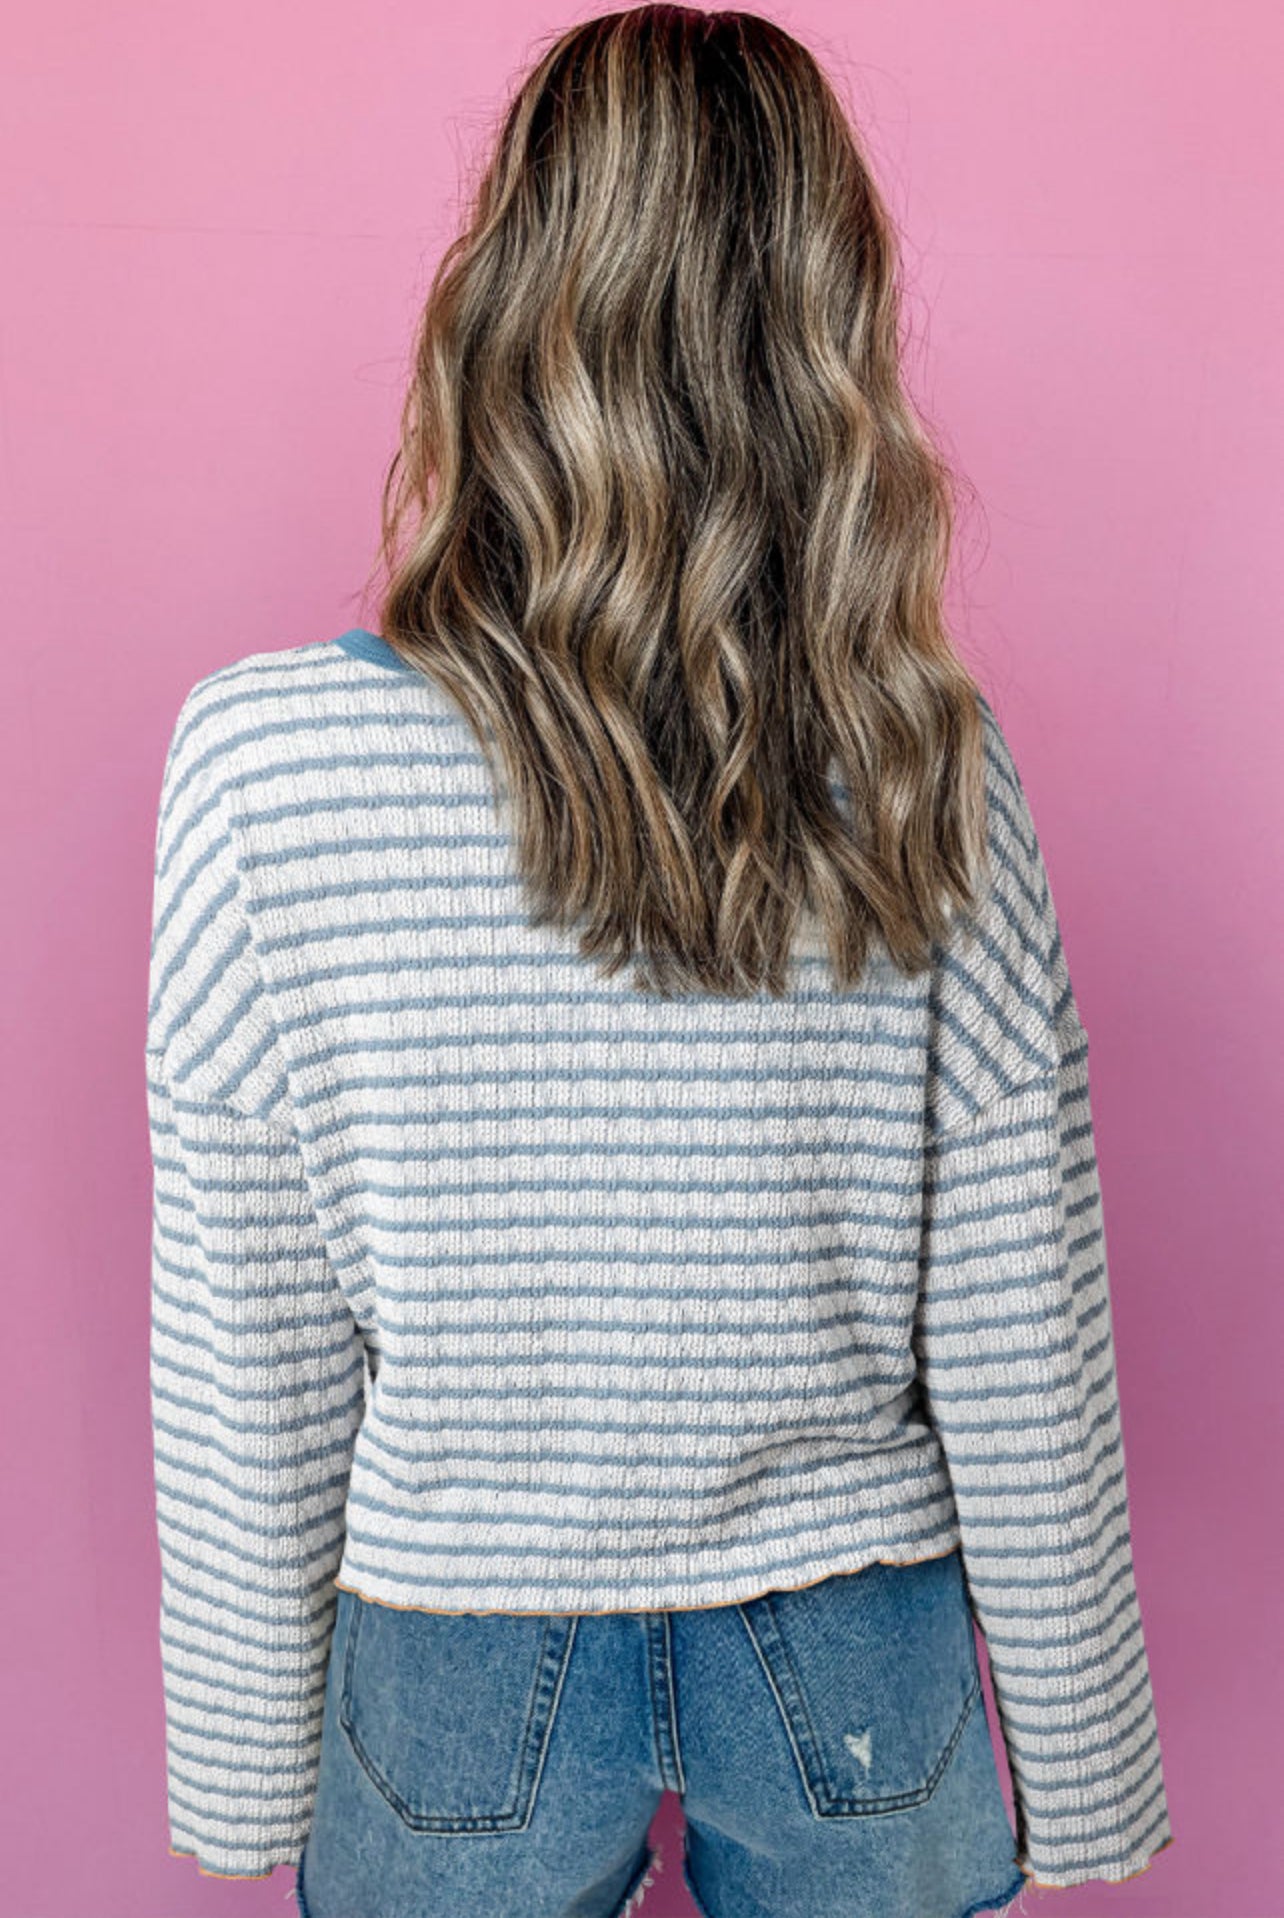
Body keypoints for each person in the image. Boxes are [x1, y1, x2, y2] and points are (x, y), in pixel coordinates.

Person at [145, 7, 1173, 1915]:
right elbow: (1023, 1315)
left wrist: (241, 1763)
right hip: (859, 1655)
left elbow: (247, 1331)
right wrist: (1089, 1769)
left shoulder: (264, 763)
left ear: (504, 296)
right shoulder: (923, 753)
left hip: (456, 1654)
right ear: (825, 335)